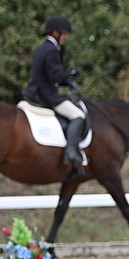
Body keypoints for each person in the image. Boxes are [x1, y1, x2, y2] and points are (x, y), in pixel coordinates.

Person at [23, 14, 86, 171]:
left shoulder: (42, 47)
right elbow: (55, 76)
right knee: (78, 115)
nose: (67, 37)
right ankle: (71, 152)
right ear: (56, 33)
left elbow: (50, 75)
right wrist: (70, 72)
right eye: (65, 34)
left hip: (38, 90)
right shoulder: (52, 50)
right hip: (47, 95)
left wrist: (67, 80)